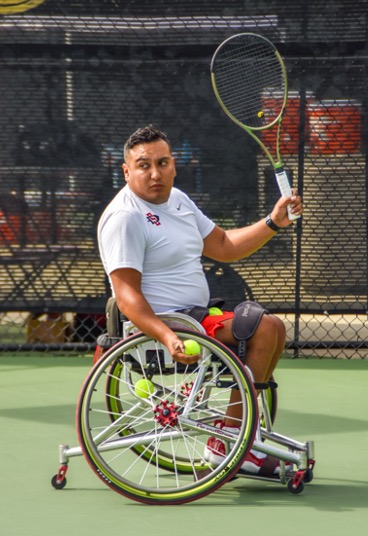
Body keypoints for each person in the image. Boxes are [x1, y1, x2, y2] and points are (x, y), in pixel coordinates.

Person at [97, 124, 303, 476]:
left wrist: (273, 222)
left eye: (162, 163)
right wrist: (165, 334)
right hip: (170, 324)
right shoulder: (125, 218)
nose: (155, 173)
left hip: (195, 316)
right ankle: (228, 443)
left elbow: (224, 246)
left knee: (275, 330)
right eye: (143, 165)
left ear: (174, 165)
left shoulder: (178, 200)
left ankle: (238, 433)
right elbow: (126, 294)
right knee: (265, 327)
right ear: (126, 171)